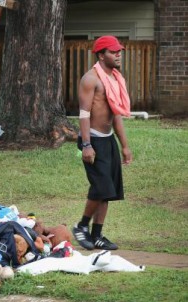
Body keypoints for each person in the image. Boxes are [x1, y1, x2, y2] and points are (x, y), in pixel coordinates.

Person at [72, 35, 133, 251]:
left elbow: (116, 114)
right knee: (101, 187)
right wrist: (87, 145)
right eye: (113, 51)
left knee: (108, 191)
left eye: (119, 51)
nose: (118, 54)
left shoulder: (115, 79)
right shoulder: (91, 79)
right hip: (93, 141)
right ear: (100, 54)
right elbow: (83, 114)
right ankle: (80, 227)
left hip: (108, 141)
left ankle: (97, 235)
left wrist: (124, 145)